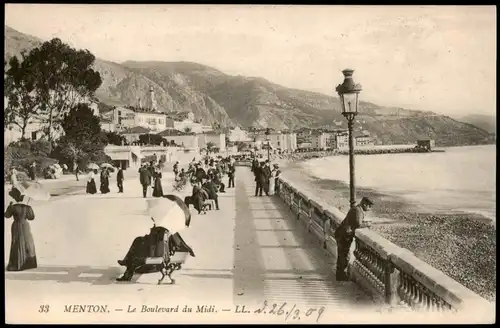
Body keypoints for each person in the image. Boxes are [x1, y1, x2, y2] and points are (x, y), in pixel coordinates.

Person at [116, 226, 196, 282]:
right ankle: (126, 261)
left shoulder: (160, 231)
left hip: (153, 260)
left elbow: (153, 245)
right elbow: (179, 243)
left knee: (136, 248)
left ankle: (127, 270)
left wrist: (148, 237)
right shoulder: (168, 230)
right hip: (157, 256)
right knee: (137, 242)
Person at [334, 197, 374, 281]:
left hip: (343, 234)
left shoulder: (357, 209)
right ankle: (340, 275)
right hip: (344, 235)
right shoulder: (357, 210)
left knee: (342, 254)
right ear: (364, 204)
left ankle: (340, 274)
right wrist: (367, 224)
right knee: (344, 255)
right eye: (369, 206)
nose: (370, 208)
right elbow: (358, 224)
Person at [4, 187, 37, 271]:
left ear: (15, 197)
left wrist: (9, 206)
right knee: (27, 242)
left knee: (16, 243)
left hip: (16, 225)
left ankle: (16, 263)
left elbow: (6, 216)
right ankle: (29, 263)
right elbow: (31, 217)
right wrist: (29, 208)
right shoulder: (26, 206)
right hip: (25, 225)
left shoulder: (12, 206)